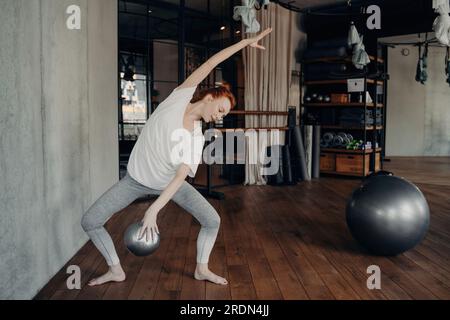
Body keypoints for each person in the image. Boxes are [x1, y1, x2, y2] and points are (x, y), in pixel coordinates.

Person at [81, 28, 273, 287]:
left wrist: (153, 209)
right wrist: (244, 43)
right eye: (220, 109)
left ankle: (201, 268)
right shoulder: (177, 99)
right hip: (135, 180)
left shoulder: (196, 137)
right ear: (209, 96)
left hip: (170, 184)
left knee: (212, 220)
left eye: (224, 114)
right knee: (91, 221)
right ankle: (115, 269)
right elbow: (211, 62)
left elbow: (181, 175)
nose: (220, 116)